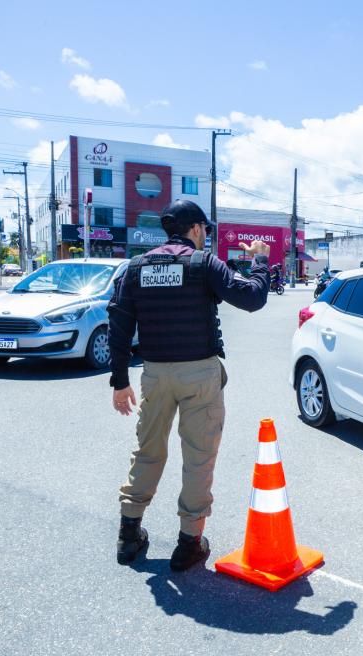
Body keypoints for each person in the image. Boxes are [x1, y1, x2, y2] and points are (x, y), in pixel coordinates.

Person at [107, 199, 271, 571]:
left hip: (154, 375)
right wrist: (260, 262)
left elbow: (119, 324)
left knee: (147, 451)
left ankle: (128, 534)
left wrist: (120, 382)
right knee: (198, 457)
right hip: (199, 375)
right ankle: (188, 544)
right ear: (196, 229)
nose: (206, 237)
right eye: (206, 230)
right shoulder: (202, 264)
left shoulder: (136, 267)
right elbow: (252, 298)